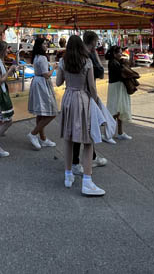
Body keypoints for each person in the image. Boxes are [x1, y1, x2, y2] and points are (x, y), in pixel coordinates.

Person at [57, 35, 105, 196]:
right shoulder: (87, 62)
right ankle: (87, 180)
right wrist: (96, 101)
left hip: (68, 98)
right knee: (88, 139)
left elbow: (58, 82)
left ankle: (68, 175)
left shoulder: (63, 62)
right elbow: (91, 86)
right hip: (83, 100)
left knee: (69, 139)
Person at [71, 31, 107, 171]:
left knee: (77, 129)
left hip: (71, 96)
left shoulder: (70, 57)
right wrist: (95, 98)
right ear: (93, 41)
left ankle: (77, 161)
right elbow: (100, 74)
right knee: (87, 129)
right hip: (85, 96)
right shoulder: (88, 58)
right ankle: (85, 162)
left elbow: (61, 80)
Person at [27, 37, 58, 150]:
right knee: (52, 112)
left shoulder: (36, 57)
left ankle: (43, 138)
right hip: (42, 84)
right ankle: (33, 133)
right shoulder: (43, 58)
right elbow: (47, 75)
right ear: (40, 46)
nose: (46, 45)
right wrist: (54, 67)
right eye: (44, 44)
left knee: (40, 113)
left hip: (37, 82)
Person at [106, 46, 138, 141]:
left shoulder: (116, 62)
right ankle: (108, 134)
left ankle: (119, 132)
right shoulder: (113, 63)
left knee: (119, 110)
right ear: (114, 54)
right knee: (115, 111)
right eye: (119, 52)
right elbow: (123, 73)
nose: (121, 54)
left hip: (118, 87)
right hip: (116, 87)